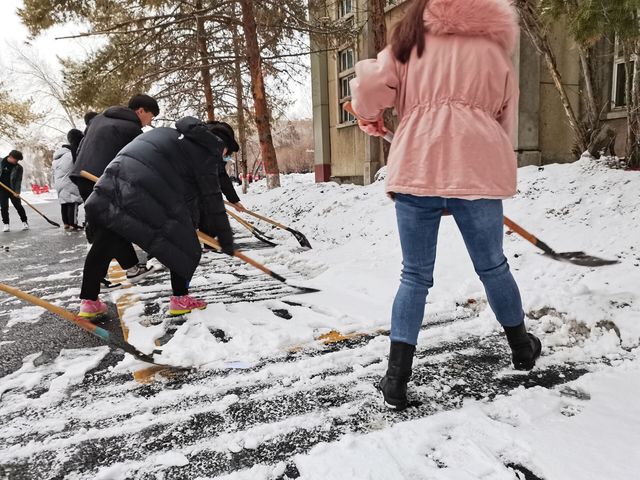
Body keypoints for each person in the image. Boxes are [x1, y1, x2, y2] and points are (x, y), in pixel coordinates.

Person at [350, 0, 541, 411]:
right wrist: (490, 168)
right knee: (493, 267)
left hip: (417, 165)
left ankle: (396, 379)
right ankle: (522, 348)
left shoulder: (408, 44)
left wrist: (369, 115)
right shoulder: (493, 52)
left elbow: (367, 86)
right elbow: (504, 120)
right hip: (477, 169)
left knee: (415, 275)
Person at [78, 117, 235, 318]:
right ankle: (180, 299)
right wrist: (224, 241)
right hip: (145, 192)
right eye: (227, 155)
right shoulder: (206, 153)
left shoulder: (167, 133)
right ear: (221, 145)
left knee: (105, 241)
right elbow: (211, 202)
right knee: (184, 243)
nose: (224, 159)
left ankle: (89, 302)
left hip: (112, 184)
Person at [71, 94, 160, 288]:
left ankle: (131, 268)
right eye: (150, 117)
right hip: (102, 180)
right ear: (141, 111)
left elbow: (81, 148)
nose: (149, 123)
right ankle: (93, 286)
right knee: (111, 229)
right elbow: (137, 163)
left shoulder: (99, 119)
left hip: (83, 177)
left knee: (109, 228)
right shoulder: (131, 129)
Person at [202, 121, 245, 252]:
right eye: (227, 151)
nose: (225, 155)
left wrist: (234, 200)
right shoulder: (205, 149)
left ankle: (209, 244)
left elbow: (221, 175)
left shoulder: (211, 147)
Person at [52, 129, 84, 230]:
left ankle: (66, 223)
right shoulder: (71, 155)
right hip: (69, 181)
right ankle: (73, 223)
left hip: (59, 182)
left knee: (64, 202)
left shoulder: (57, 157)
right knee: (73, 201)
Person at [0, 150, 28, 232]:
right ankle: (6, 224)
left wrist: (17, 192)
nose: (17, 162)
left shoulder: (19, 168)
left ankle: (24, 222)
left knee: (18, 206)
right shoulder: (1, 162)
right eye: (16, 160)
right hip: (2, 190)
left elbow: (18, 181)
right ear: (10, 157)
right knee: (4, 207)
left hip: (13, 189)